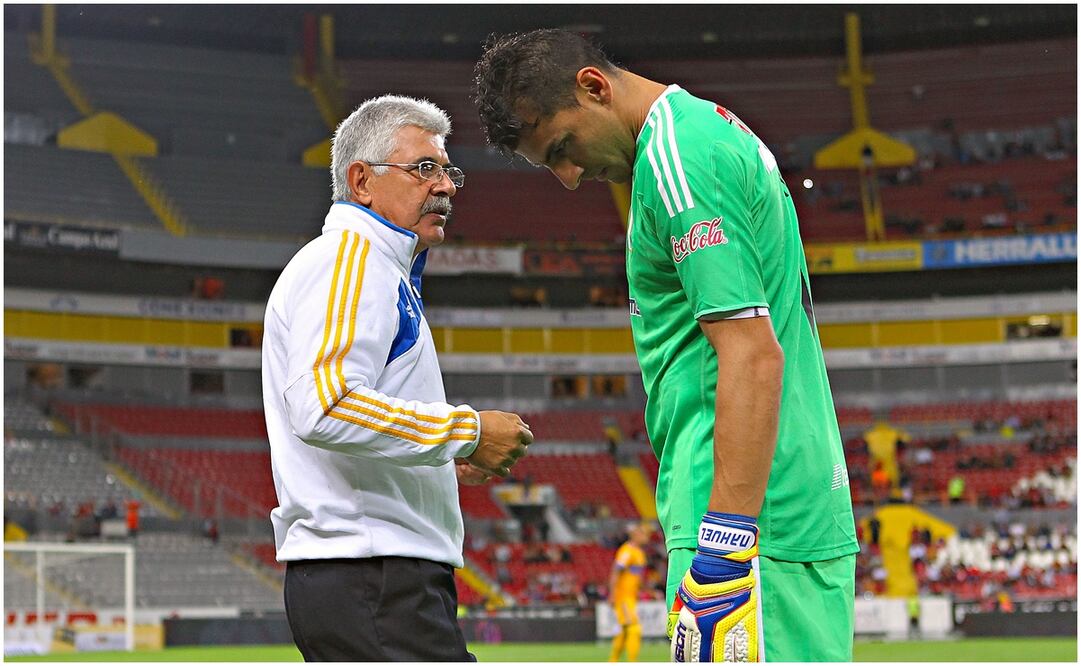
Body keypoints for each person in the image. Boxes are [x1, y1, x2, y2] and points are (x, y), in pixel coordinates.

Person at [474, 30, 858, 662]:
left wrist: (727, 545)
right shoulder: (692, 140)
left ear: (593, 87)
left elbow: (752, 354)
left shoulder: (680, 161)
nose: (570, 178)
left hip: (749, 521)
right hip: (766, 509)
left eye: (564, 148)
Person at [262, 94, 534, 662]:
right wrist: (467, 432)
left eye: (448, 170)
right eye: (424, 169)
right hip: (373, 575)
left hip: (373, 575)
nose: (446, 186)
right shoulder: (351, 259)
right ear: (361, 181)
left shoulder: (378, 267)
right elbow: (326, 405)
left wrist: (437, 451)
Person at [607, 522, 652, 662]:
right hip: (623, 597)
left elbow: (636, 577)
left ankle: (613, 661)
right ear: (636, 534)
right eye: (644, 533)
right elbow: (616, 571)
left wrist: (646, 590)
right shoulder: (627, 551)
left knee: (624, 631)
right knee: (634, 629)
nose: (647, 536)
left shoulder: (639, 553)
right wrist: (613, 594)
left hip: (631, 597)